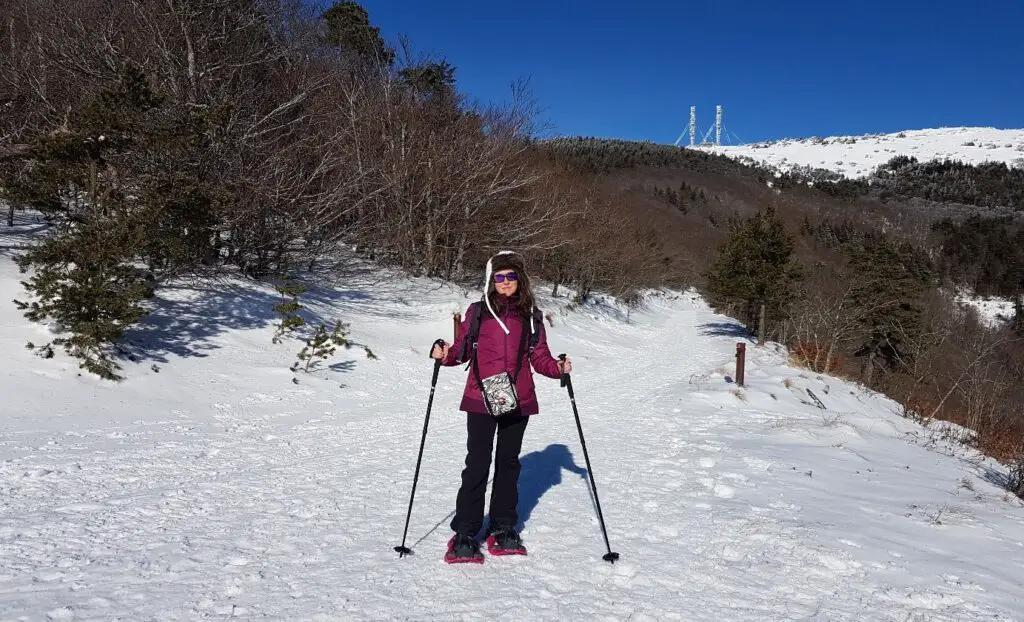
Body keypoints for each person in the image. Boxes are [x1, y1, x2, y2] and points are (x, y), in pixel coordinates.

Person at [431, 250, 572, 564]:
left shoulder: (531, 315)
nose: (505, 282)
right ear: (490, 280)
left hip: (518, 399)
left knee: (508, 465)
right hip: (481, 396)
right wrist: (445, 355)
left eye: (511, 276)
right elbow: (462, 350)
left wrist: (558, 369)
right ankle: (466, 532)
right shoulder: (478, 311)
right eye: (499, 277)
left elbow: (540, 356)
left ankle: (503, 527)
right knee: (477, 463)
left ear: (519, 279)